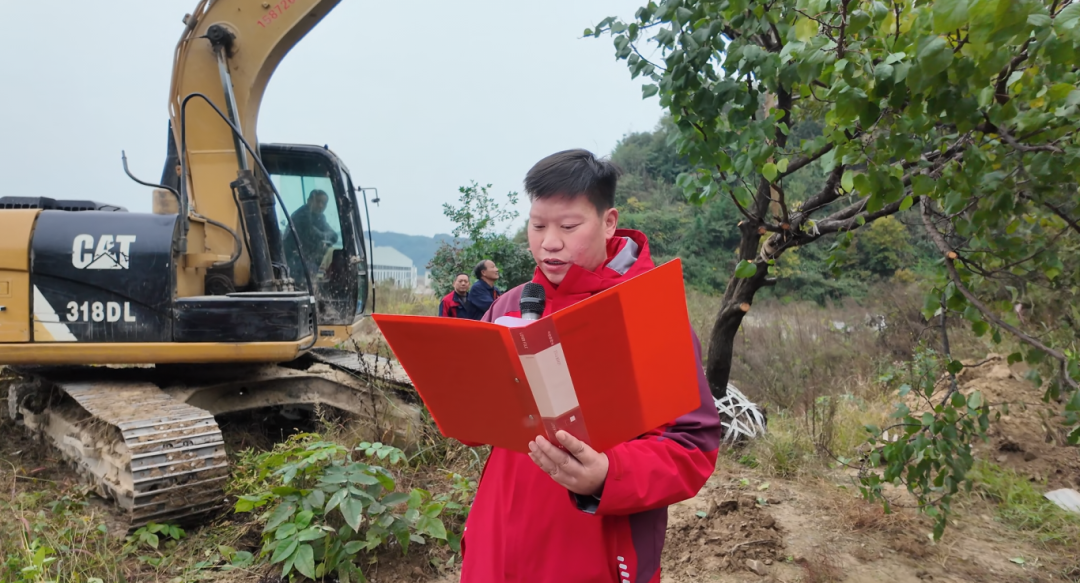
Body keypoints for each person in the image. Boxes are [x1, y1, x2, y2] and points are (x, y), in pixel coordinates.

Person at [459, 149, 721, 582]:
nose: (549, 242)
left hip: (592, 551)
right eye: (537, 225)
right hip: (497, 541)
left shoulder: (647, 314)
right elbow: (477, 412)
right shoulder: (510, 305)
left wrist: (608, 475)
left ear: (609, 222)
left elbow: (692, 445)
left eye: (568, 226)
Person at [285, 189, 338, 286]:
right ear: (309, 201)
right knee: (315, 276)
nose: (321, 205)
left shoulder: (319, 217)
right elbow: (312, 234)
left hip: (307, 258)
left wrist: (324, 236)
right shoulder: (302, 215)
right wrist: (324, 236)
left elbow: (334, 236)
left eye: (324, 203)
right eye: (318, 201)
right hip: (293, 260)